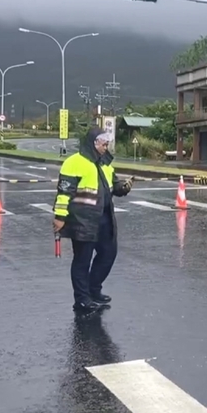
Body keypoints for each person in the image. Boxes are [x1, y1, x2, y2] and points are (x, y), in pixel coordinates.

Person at [53, 127, 133, 312]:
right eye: (104, 144)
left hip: (104, 218)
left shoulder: (105, 163)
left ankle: (93, 290)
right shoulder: (74, 163)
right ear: (94, 143)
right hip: (82, 219)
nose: (106, 147)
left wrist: (123, 187)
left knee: (108, 254)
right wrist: (59, 217)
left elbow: (112, 185)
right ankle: (81, 299)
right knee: (82, 260)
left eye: (107, 144)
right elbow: (64, 192)